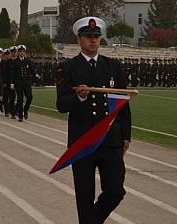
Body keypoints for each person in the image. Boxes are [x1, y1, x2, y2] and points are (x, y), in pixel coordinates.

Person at [56, 16, 131, 224]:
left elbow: (123, 103)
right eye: (88, 36)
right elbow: (61, 105)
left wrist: (126, 136)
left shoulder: (113, 66)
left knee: (115, 191)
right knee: (85, 196)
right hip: (83, 141)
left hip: (110, 140)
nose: (93, 40)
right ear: (79, 39)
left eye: (96, 36)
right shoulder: (68, 67)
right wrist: (79, 97)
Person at [12, 44, 36, 121]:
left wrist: (33, 79)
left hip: (27, 82)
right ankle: (20, 115)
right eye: (20, 51)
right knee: (20, 99)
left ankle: (25, 110)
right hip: (18, 83)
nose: (22, 53)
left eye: (23, 51)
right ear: (18, 53)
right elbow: (12, 73)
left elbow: (32, 71)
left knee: (29, 97)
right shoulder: (15, 62)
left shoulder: (28, 61)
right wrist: (12, 83)